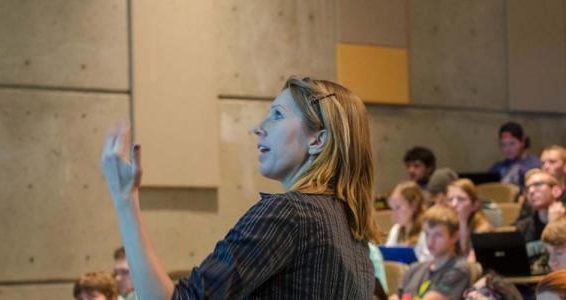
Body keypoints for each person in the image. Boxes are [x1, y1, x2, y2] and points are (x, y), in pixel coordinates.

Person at [101, 77, 379, 299]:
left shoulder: (290, 213)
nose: (258, 128)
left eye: (277, 115)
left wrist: (125, 199)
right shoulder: (353, 230)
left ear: (317, 140)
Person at [389, 205, 471, 300]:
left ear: (454, 236)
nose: (430, 241)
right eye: (427, 234)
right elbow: (395, 296)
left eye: (438, 235)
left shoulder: (458, 268)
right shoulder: (414, 268)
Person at [445, 178, 494, 260]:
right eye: (450, 199)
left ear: (475, 205)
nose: (453, 204)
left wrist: (462, 221)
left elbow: (470, 265)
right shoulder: (445, 228)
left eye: (461, 199)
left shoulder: (483, 230)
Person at [385, 181, 431, 261]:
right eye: (392, 208)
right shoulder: (396, 230)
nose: (394, 214)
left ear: (414, 205)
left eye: (398, 207)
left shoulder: (427, 231)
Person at [515, 169, 565, 243]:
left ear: (556, 191)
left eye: (538, 184)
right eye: (527, 188)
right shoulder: (523, 227)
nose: (531, 191)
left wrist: (555, 225)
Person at [489, 121, 541, 188]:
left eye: (512, 143)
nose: (508, 149)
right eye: (504, 144)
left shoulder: (534, 165)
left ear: (523, 141)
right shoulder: (497, 168)